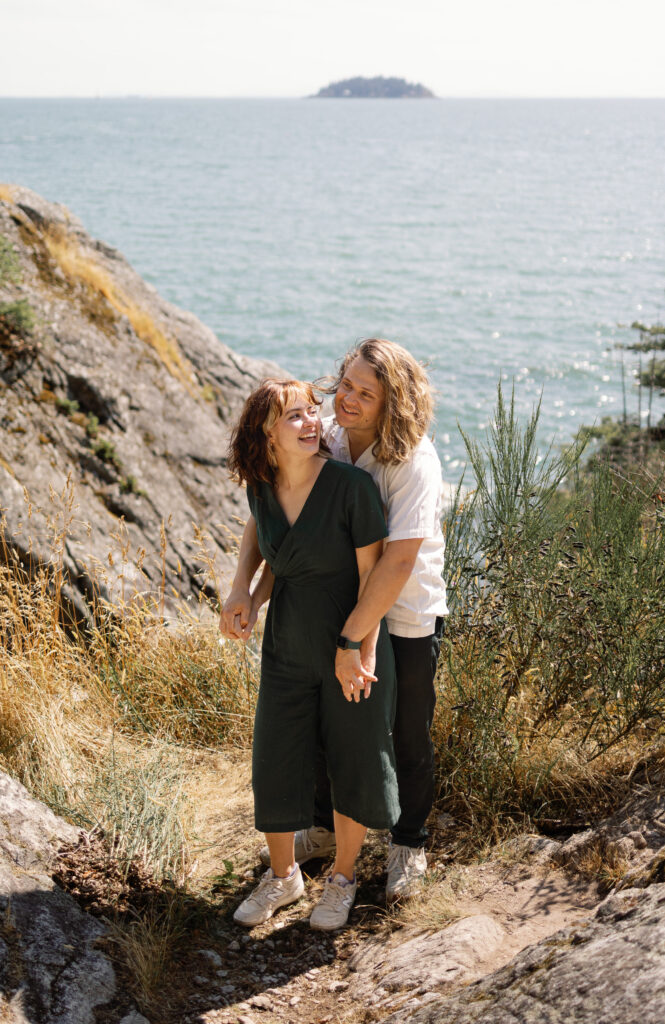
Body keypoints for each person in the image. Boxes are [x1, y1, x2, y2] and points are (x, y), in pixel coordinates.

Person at [222, 340, 448, 901]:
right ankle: (323, 830)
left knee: (406, 736)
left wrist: (356, 639)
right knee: (332, 727)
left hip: (404, 611)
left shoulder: (414, 460)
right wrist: (246, 588)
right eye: (346, 383)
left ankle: (408, 845)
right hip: (339, 603)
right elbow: (270, 503)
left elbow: (397, 562)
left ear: (392, 404)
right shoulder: (323, 429)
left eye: (365, 394)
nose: (345, 399)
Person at [219, 378, 399, 930]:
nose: (312, 423)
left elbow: (373, 578)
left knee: (354, 757)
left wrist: (359, 650)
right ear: (266, 434)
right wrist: (243, 591)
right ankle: (284, 877)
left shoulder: (350, 487)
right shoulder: (262, 487)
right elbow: (275, 551)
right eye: (294, 416)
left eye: (311, 412)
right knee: (276, 754)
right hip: (287, 642)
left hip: (350, 639)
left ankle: (342, 881)